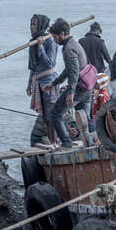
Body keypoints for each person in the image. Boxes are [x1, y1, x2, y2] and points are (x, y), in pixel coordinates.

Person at [45, 18, 94, 149]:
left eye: (55, 37)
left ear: (62, 34)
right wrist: (55, 83)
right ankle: (94, 142)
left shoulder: (69, 48)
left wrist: (71, 92)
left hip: (79, 88)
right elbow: (69, 70)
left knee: (56, 114)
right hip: (87, 86)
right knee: (85, 118)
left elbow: (73, 72)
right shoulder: (74, 43)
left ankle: (66, 143)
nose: (54, 40)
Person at [26, 14, 59, 147]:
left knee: (51, 114)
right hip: (38, 82)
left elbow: (50, 63)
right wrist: (29, 84)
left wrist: (40, 46)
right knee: (45, 115)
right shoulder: (33, 41)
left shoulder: (50, 40)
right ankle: (51, 141)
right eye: (31, 24)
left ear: (41, 25)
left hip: (49, 82)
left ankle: (54, 142)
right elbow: (33, 67)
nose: (32, 27)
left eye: (34, 25)